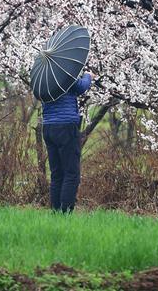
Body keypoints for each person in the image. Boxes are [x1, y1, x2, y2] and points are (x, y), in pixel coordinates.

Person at [42, 71, 93, 213]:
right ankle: (66, 211)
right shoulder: (64, 73)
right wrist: (88, 76)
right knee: (71, 172)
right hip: (66, 127)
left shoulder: (42, 78)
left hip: (48, 127)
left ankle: (56, 209)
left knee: (56, 172)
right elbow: (82, 86)